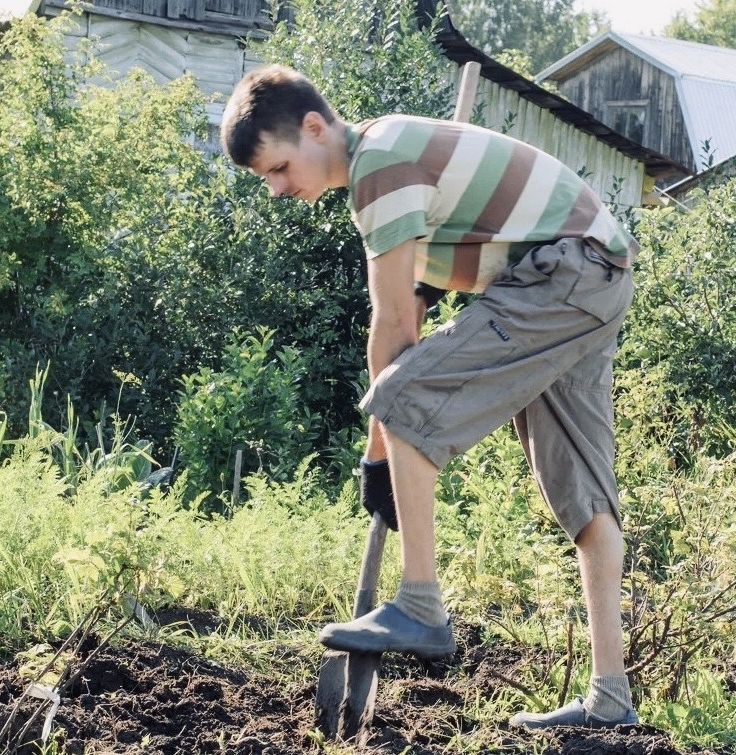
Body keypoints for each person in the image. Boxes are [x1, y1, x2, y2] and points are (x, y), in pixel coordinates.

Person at [220, 63, 639, 729]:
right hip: (591, 274)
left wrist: (381, 453)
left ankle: (420, 604)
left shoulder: (379, 168)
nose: (275, 189)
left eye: (276, 168)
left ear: (313, 127)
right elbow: (407, 308)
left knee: (405, 399)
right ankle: (611, 698)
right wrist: (381, 453)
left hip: (565, 271)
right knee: (583, 494)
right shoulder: (393, 157)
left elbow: (394, 330)